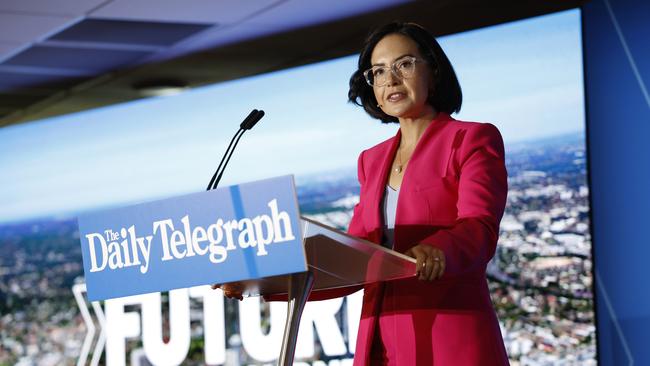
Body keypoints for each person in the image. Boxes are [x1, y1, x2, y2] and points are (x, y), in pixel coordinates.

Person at [218, 21, 510, 366]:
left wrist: (438, 250)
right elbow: (352, 262)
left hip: (449, 337)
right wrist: (259, 281)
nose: (390, 79)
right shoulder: (371, 161)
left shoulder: (472, 139)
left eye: (405, 64)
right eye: (378, 71)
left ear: (433, 70)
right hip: (380, 344)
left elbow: (479, 227)